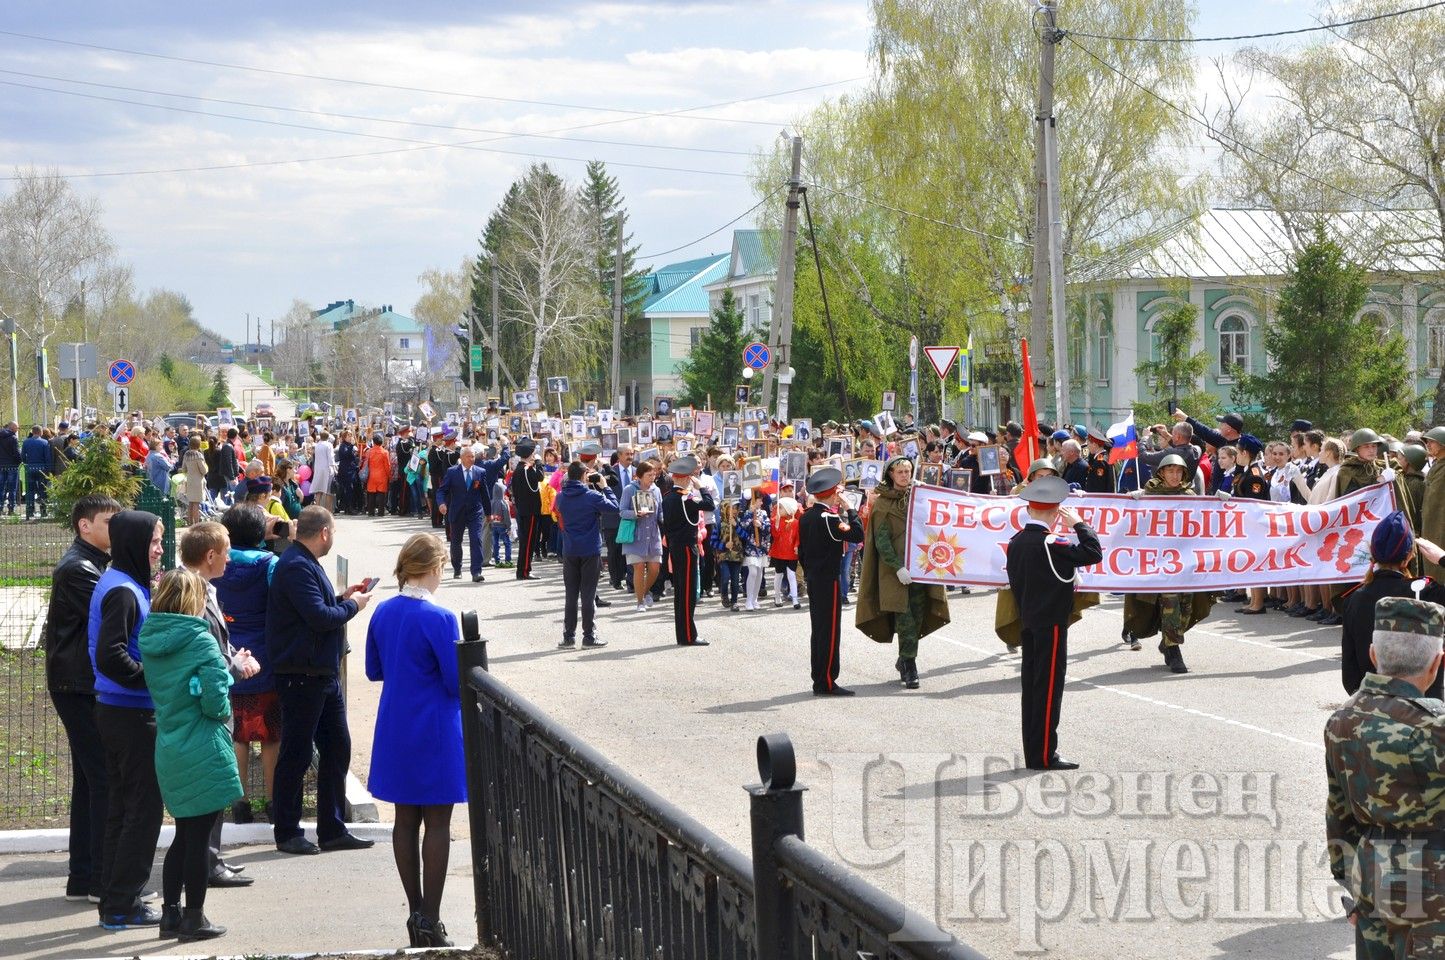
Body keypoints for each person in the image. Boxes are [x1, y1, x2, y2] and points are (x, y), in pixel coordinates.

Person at [1326, 596, 1445, 959]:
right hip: (1431, 886)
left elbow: (1338, 812)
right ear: (1437, 664)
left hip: (1371, 875)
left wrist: (1349, 882)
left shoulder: (1342, 720)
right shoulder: (1434, 726)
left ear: (1374, 655)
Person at [365, 534, 464, 948]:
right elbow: (456, 681)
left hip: (395, 723)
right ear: (435, 567)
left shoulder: (383, 611)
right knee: (438, 822)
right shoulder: (440, 618)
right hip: (436, 726)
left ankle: (415, 911)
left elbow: (373, 670)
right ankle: (432, 918)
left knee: (405, 820)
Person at [137, 568, 244, 942]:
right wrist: (220, 686)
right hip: (202, 745)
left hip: (169, 744)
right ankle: (194, 918)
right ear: (192, 601)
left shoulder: (151, 637)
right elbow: (216, 703)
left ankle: (170, 914)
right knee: (197, 840)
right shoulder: (200, 640)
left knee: (183, 836)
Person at [266, 506, 375, 855]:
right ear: (324, 533)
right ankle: (287, 831)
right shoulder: (297, 565)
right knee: (296, 754)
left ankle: (331, 828)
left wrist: (343, 598)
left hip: (319, 673)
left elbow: (319, 607)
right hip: (302, 675)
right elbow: (318, 617)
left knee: (337, 748)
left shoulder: (304, 562)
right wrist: (354, 606)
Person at [88, 510, 165, 929]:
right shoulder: (121, 590)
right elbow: (111, 655)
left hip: (122, 712)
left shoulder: (125, 583)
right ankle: (122, 903)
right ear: (135, 543)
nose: (158, 550)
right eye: (153, 542)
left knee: (124, 809)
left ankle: (116, 899)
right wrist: (155, 680)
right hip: (130, 715)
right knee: (143, 811)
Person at [45, 494, 123, 903]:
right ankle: (98, 882)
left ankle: (83, 877)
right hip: (77, 685)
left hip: (77, 683)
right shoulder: (79, 568)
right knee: (104, 780)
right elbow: (114, 612)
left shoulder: (91, 563)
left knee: (90, 782)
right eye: (109, 522)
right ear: (85, 526)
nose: (116, 528)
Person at [1001, 476, 1102, 770]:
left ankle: (1035, 751)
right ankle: (1044, 755)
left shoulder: (1016, 541)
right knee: (1047, 690)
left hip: (1029, 620)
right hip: (1051, 624)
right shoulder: (1052, 542)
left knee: (1032, 689)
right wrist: (1080, 524)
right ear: (1056, 512)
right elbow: (1093, 552)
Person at [178, 522, 259, 890]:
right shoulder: (188, 592)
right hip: (205, 709)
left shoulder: (204, 587)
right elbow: (195, 655)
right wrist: (232, 667)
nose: (229, 558)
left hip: (213, 700)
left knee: (215, 787)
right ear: (210, 556)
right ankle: (206, 865)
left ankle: (212, 858)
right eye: (225, 552)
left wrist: (230, 658)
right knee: (210, 789)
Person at [855, 456, 949, 689]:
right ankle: (909, 666)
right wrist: (897, 568)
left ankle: (904, 657)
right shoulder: (882, 503)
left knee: (917, 617)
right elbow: (881, 540)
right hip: (895, 572)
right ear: (891, 474)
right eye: (900, 472)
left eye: (908, 471)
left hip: (920, 567)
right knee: (904, 618)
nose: (905, 475)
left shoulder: (919, 498)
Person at [217, 504, 281, 827]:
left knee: (238, 733)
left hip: (230, 656)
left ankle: (239, 803)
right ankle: (273, 801)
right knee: (270, 734)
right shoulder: (270, 564)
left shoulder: (219, 564)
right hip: (264, 658)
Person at [1122, 454, 1215, 673]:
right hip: (1160, 561)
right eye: (1170, 471)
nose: (1174, 475)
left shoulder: (1190, 495)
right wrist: (1132, 501)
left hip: (1185, 560)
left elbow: (1206, 521)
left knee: (1186, 605)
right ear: (1161, 473)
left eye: (1178, 471)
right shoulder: (1149, 495)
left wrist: (1221, 503)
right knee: (1170, 601)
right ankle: (1174, 651)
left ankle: (1168, 641)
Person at [1341, 511, 1445, 700]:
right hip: (1424, 714)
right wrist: (1442, 558)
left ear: (1372, 552)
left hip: (1371, 710)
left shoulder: (1354, 598)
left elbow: (1350, 674)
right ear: (1409, 557)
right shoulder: (1426, 593)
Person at [798, 468, 864, 695]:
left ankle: (819, 678)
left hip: (815, 578)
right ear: (834, 494)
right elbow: (857, 534)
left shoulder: (806, 515)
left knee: (819, 630)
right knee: (829, 631)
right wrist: (851, 508)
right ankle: (826, 680)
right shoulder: (829, 518)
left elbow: (802, 553)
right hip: (827, 579)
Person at [555, 460, 619, 648]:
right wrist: (604, 487)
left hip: (570, 549)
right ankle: (589, 636)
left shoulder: (561, 497)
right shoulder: (592, 496)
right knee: (588, 595)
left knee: (571, 595)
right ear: (584, 476)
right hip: (590, 549)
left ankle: (568, 636)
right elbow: (614, 507)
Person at [660, 456, 714, 646]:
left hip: (676, 546)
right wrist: (702, 487)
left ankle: (684, 634)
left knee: (682, 592)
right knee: (687, 593)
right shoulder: (686, 498)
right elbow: (710, 505)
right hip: (686, 547)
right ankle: (688, 635)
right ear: (684, 479)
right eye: (690, 478)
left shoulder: (668, 497)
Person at [436, 445, 489, 583]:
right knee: (456, 542)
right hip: (457, 511)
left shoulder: (480, 472)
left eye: (473, 456)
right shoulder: (452, 472)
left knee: (476, 539)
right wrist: (441, 503)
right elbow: (442, 490)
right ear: (461, 458)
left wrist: (489, 513)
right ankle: (457, 568)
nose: (472, 459)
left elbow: (485, 494)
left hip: (475, 512)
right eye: (469, 456)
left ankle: (476, 571)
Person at [620, 461, 664, 611]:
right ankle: (640, 602)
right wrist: (635, 514)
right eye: (648, 475)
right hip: (636, 535)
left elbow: (661, 511)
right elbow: (622, 511)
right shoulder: (629, 490)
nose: (652, 477)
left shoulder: (656, 490)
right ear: (639, 476)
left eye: (654, 475)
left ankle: (644, 592)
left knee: (654, 568)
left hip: (653, 535)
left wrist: (666, 519)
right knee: (638, 567)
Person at [511, 440, 545, 580]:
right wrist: (538, 463)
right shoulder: (526, 469)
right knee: (528, 542)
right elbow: (540, 477)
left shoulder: (518, 469)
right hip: (530, 511)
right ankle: (524, 570)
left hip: (524, 510)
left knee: (526, 541)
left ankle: (523, 569)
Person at [738, 486, 772, 611]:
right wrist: (749, 517)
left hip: (761, 546)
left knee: (759, 573)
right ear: (753, 501)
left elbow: (769, 528)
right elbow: (742, 527)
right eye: (759, 500)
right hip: (750, 546)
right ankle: (748, 600)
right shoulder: (745, 513)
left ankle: (755, 599)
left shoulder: (763, 513)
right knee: (752, 572)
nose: (762, 503)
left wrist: (761, 525)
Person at [22, 425, 51, 520]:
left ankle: (30, 511)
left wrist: (27, 463)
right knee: (42, 490)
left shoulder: (26, 442)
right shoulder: (45, 442)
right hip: (42, 468)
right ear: (40, 432)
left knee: (30, 491)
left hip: (30, 468)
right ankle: (43, 511)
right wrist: (48, 469)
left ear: (32, 431)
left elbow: (23, 456)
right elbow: (47, 458)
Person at [363, 435, 391, 516]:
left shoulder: (369, 452)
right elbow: (387, 466)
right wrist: (389, 476)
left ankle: (371, 512)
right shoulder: (385, 452)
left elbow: (365, 464)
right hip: (382, 476)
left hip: (371, 475)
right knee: (382, 495)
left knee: (371, 494)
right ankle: (381, 512)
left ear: (373, 442)